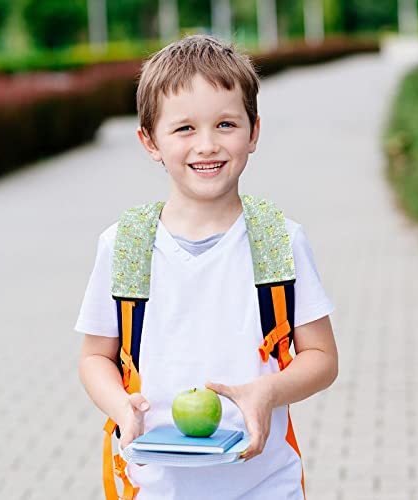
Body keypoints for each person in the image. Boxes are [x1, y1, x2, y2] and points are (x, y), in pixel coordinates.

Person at [76, 34, 338, 500]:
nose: (208, 145)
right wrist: (122, 408)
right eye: (184, 129)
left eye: (225, 124)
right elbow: (96, 356)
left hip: (264, 482)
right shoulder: (125, 245)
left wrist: (269, 391)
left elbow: (321, 358)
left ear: (254, 131)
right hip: (154, 486)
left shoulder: (279, 240)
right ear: (149, 141)